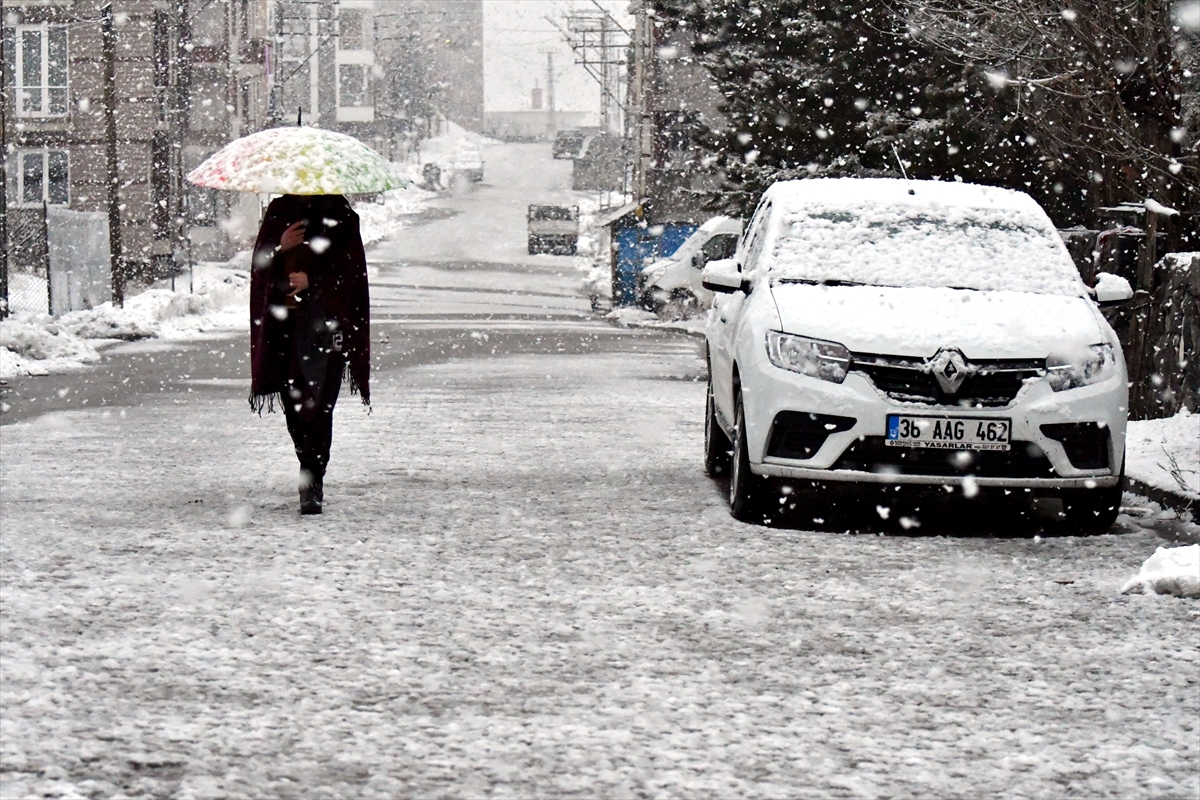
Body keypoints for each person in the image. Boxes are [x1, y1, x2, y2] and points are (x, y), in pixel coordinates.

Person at [249, 194, 371, 514]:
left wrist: (314, 279)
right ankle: (308, 465)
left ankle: (312, 481)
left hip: (329, 328)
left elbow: (352, 274)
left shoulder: (339, 214)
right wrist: (280, 245)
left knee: (321, 405)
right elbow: (260, 267)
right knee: (296, 407)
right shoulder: (280, 211)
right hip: (286, 329)